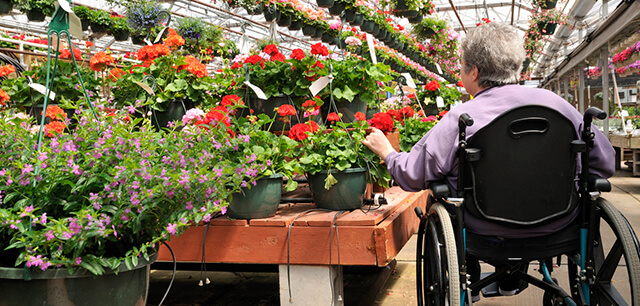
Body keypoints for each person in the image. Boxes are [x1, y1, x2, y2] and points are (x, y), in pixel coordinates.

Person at [362, 22, 615, 301]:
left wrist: (387, 151)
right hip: (559, 223)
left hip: (483, 231)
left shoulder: (461, 118)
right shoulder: (559, 107)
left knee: (443, 192)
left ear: (474, 71)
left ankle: (474, 275)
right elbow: (605, 164)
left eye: (461, 66)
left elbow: (412, 175)